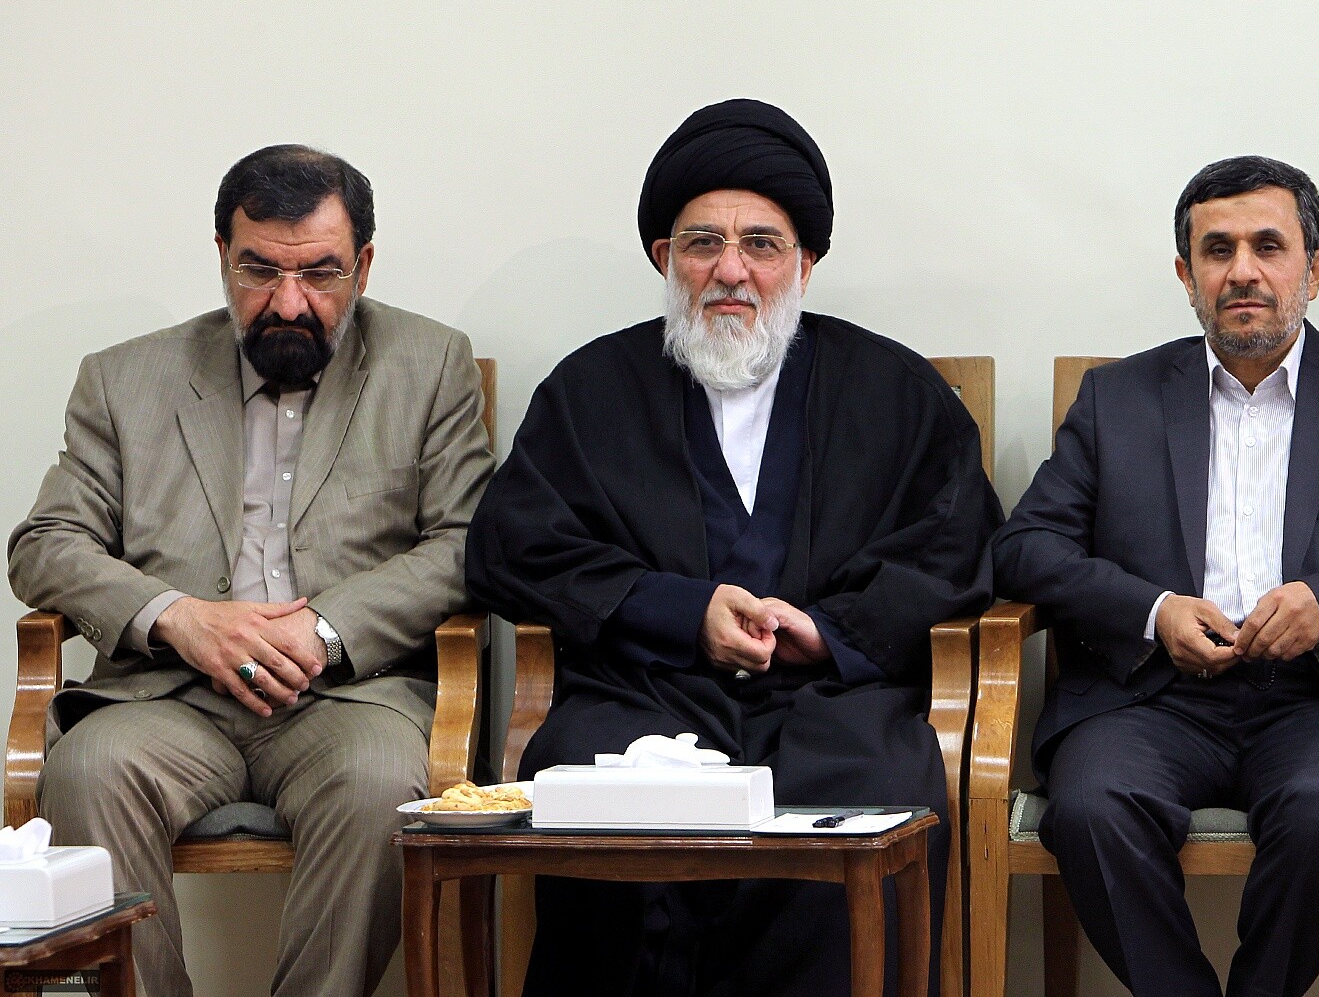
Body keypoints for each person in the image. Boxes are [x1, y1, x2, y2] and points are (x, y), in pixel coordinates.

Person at [466, 99, 1002, 996]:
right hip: (644, 687)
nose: (731, 270)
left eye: (761, 244)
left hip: (834, 698)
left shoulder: (894, 389)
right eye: (703, 243)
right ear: (663, 257)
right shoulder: (590, 390)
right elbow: (512, 546)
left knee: (865, 798)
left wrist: (829, 631)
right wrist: (684, 613)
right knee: (603, 791)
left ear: (805, 263)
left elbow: (957, 546)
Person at [993, 155, 1319, 997]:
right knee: (1091, 808)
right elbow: (1025, 548)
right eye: (1217, 250)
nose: (1243, 271)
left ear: (1314, 269)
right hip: (1151, 700)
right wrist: (1154, 610)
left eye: (1269, 245)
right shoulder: (1117, 398)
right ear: (1186, 275)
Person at [8, 144, 495, 997]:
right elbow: (45, 542)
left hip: (349, 698)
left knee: (381, 783)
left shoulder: (429, 366)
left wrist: (325, 629)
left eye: (320, 274)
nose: (289, 302)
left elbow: (466, 542)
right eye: (260, 270)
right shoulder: (125, 379)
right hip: (168, 699)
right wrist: (179, 617)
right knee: (86, 768)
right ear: (222, 256)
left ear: (364, 266)